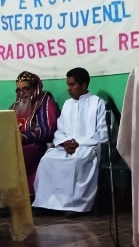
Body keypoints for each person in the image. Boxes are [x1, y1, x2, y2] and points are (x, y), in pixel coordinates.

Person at [32, 67, 107, 218]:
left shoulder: (97, 103)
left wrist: (78, 143)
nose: (69, 89)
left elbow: (103, 133)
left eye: (72, 85)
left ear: (84, 85)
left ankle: (75, 205)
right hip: (66, 146)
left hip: (87, 146)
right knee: (47, 160)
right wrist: (65, 142)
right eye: (68, 85)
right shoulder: (67, 104)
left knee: (76, 161)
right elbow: (60, 130)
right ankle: (46, 203)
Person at [11, 71, 60, 194]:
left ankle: (23, 194)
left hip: (35, 145)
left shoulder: (44, 101)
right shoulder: (16, 105)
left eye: (26, 89)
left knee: (12, 155)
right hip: (16, 143)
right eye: (19, 90)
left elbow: (47, 129)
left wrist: (25, 137)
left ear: (35, 88)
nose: (22, 93)